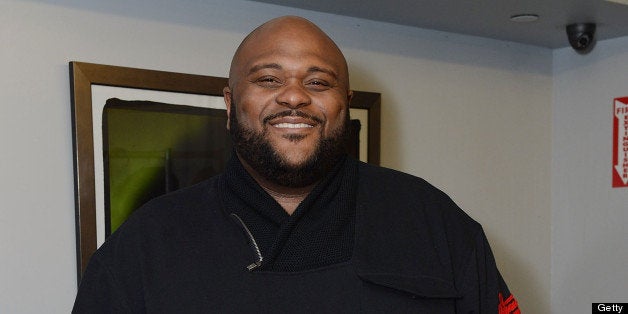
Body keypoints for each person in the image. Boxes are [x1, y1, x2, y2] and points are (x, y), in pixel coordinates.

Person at [73, 16, 520, 313]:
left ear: (344, 104)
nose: (293, 96)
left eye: (318, 81)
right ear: (230, 105)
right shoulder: (147, 244)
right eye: (268, 78)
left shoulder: (432, 221)